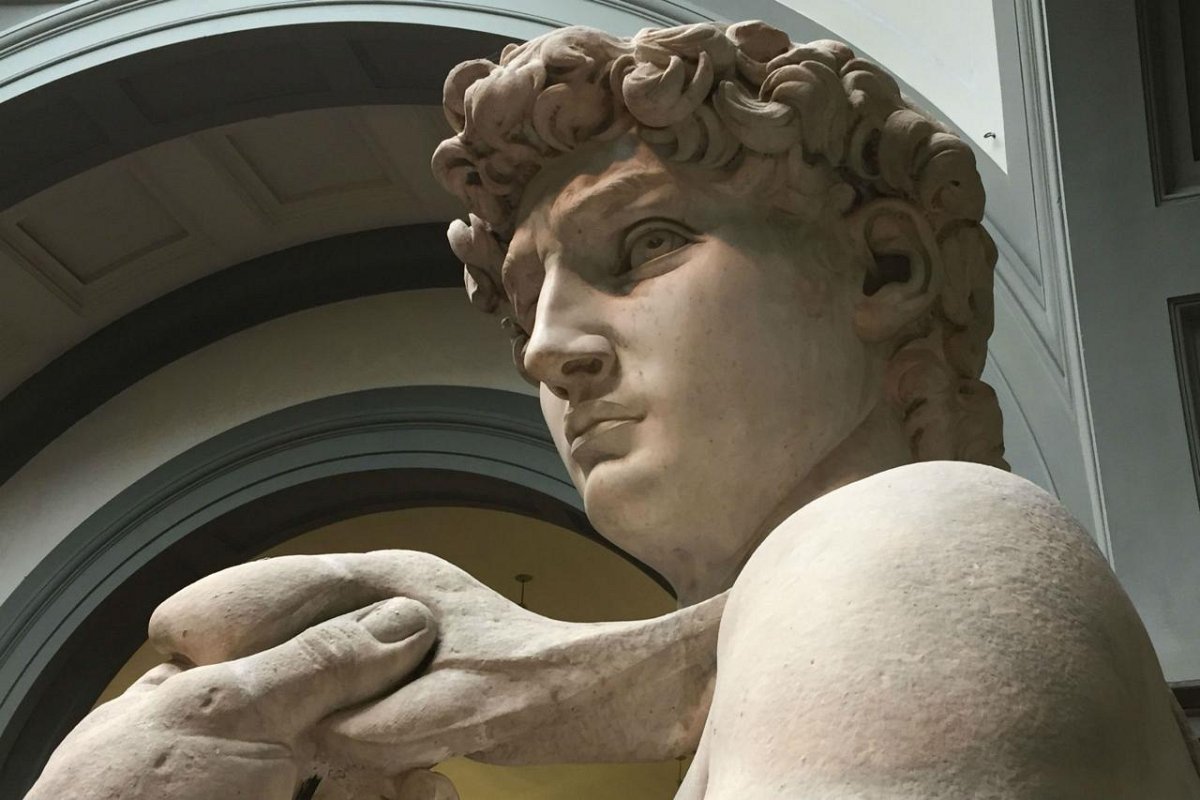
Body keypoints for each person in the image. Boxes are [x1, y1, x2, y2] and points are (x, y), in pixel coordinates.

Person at [25, 20, 1200, 799]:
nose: (546, 347)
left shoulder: (910, 537)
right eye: (526, 297)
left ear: (883, 268)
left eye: (644, 245)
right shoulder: (787, 650)